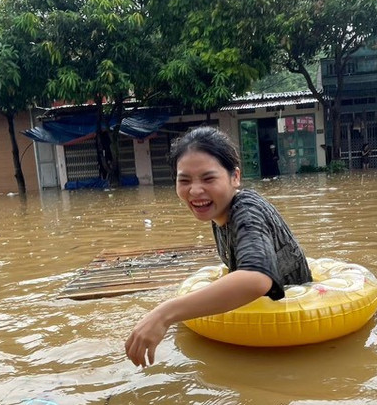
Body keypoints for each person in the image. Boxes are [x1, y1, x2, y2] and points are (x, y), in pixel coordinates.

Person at [125, 127, 311, 367]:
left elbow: (257, 279)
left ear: (235, 177)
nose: (195, 190)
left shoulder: (246, 209)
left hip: (290, 338)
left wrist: (164, 314)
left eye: (208, 178)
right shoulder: (219, 211)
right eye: (184, 180)